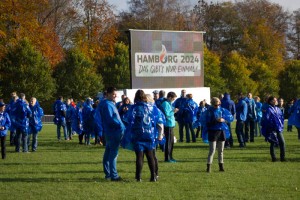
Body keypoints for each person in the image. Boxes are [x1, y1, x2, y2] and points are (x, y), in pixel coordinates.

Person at [122, 90, 164, 182]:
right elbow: (160, 120)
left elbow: (127, 120)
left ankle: (138, 177)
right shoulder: (152, 108)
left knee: (139, 156)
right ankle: (153, 176)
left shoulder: (134, 108)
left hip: (138, 134)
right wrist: (159, 134)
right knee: (150, 156)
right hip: (149, 134)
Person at [98, 87, 125, 181]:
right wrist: (120, 126)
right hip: (113, 132)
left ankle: (108, 174)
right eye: (113, 94)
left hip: (110, 131)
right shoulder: (107, 105)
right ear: (108, 94)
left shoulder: (108, 103)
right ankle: (114, 175)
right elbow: (110, 119)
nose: (116, 96)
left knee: (108, 153)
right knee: (113, 154)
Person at [201, 97, 233, 172]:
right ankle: (208, 167)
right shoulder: (208, 112)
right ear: (212, 104)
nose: (217, 106)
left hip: (221, 131)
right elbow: (204, 122)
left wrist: (223, 119)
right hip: (212, 132)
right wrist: (215, 121)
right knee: (212, 150)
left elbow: (230, 117)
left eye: (219, 104)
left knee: (221, 150)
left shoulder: (222, 110)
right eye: (215, 105)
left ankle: (221, 166)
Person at [261, 96, 285, 162]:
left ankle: (282, 158)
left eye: (276, 100)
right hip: (272, 129)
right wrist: (270, 127)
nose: (276, 101)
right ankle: (274, 158)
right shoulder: (269, 109)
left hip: (279, 128)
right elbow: (266, 119)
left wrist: (281, 125)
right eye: (275, 100)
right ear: (271, 101)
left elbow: (281, 118)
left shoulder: (278, 109)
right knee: (273, 143)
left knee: (282, 142)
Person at [161, 91, 178, 162]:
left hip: (171, 124)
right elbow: (167, 114)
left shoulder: (169, 103)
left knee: (171, 142)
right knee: (168, 142)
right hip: (167, 125)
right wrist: (173, 111)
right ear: (169, 97)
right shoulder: (165, 104)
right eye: (173, 99)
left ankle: (170, 156)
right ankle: (167, 158)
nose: (173, 100)